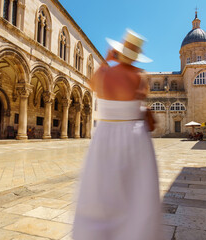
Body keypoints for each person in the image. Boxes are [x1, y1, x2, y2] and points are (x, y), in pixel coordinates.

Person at [73, 29, 161, 240]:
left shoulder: (103, 74)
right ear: (137, 54)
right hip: (133, 138)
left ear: (120, 51)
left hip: (104, 136)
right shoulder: (140, 76)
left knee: (100, 192)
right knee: (135, 194)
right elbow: (147, 115)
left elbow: (92, 84)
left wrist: (106, 60)